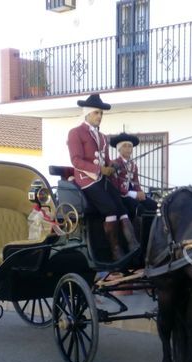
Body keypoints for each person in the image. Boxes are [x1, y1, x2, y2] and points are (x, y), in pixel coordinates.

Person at [66, 94, 139, 263]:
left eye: (101, 113)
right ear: (88, 113)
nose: (100, 116)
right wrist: (100, 169)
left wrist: (113, 167)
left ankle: (133, 244)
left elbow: (106, 162)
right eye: (97, 113)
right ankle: (115, 251)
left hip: (103, 180)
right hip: (86, 181)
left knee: (121, 207)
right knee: (110, 209)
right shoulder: (75, 133)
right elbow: (76, 160)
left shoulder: (102, 137)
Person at [108, 132, 157, 248]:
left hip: (133, 194)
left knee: (154, 206)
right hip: (121, 197)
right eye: (125, 146)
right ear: (119, 149)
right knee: (138, 209)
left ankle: (153, 237)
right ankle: (137, 242)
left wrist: (141, 193)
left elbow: (136, 183)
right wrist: (134, 194)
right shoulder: (114, 164)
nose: (128, 148)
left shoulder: (133, 165)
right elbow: (116, 187)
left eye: (130, 146)